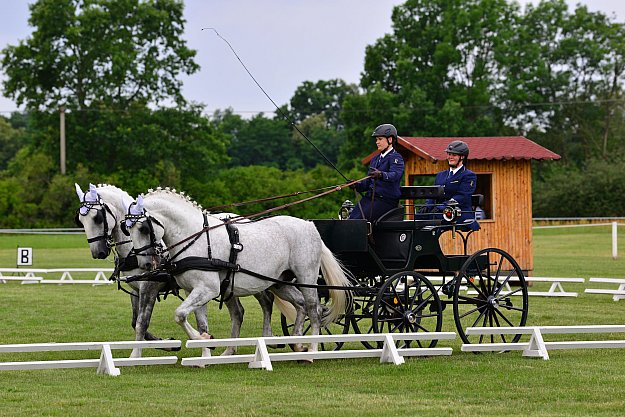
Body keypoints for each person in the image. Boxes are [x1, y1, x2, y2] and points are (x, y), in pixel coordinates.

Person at [348, 123, 405, 221]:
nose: (377, 142)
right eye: (376, 140)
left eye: (380, 139)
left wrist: (381, 174)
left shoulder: (396, 158)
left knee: (359, 220)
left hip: (386, 200)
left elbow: (395, 175)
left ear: (390, 139)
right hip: (370, 198)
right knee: (351, 219)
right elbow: (368, 183)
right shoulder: (375, 159)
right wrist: (357, 185)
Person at [421, 140, 479, 230]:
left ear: (462, 157)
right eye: (448, 154)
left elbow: (462, 196)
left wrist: (441, 207)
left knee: (434, 218)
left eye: (454, 155)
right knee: (419, 217)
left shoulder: (468, 175)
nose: (450, 157)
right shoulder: (441, 175)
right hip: (441, 212)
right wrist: (428, 206)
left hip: (458, 212)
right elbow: (433, 193)